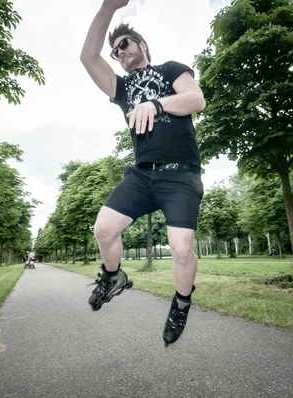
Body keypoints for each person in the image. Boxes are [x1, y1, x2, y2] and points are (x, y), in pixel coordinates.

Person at [80, 0, 206, 346]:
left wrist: (156, 103)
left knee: (181, 249)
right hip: (142, 176)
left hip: (181, 176)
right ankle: (112, 277)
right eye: (115, 50)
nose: (119, 52)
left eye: (124, 44)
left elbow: (196, 100)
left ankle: (181, 303)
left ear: (142, 45)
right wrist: (108, 7)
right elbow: (88, 59)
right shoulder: (122, 89)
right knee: (103, 228)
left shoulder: (170, 70)